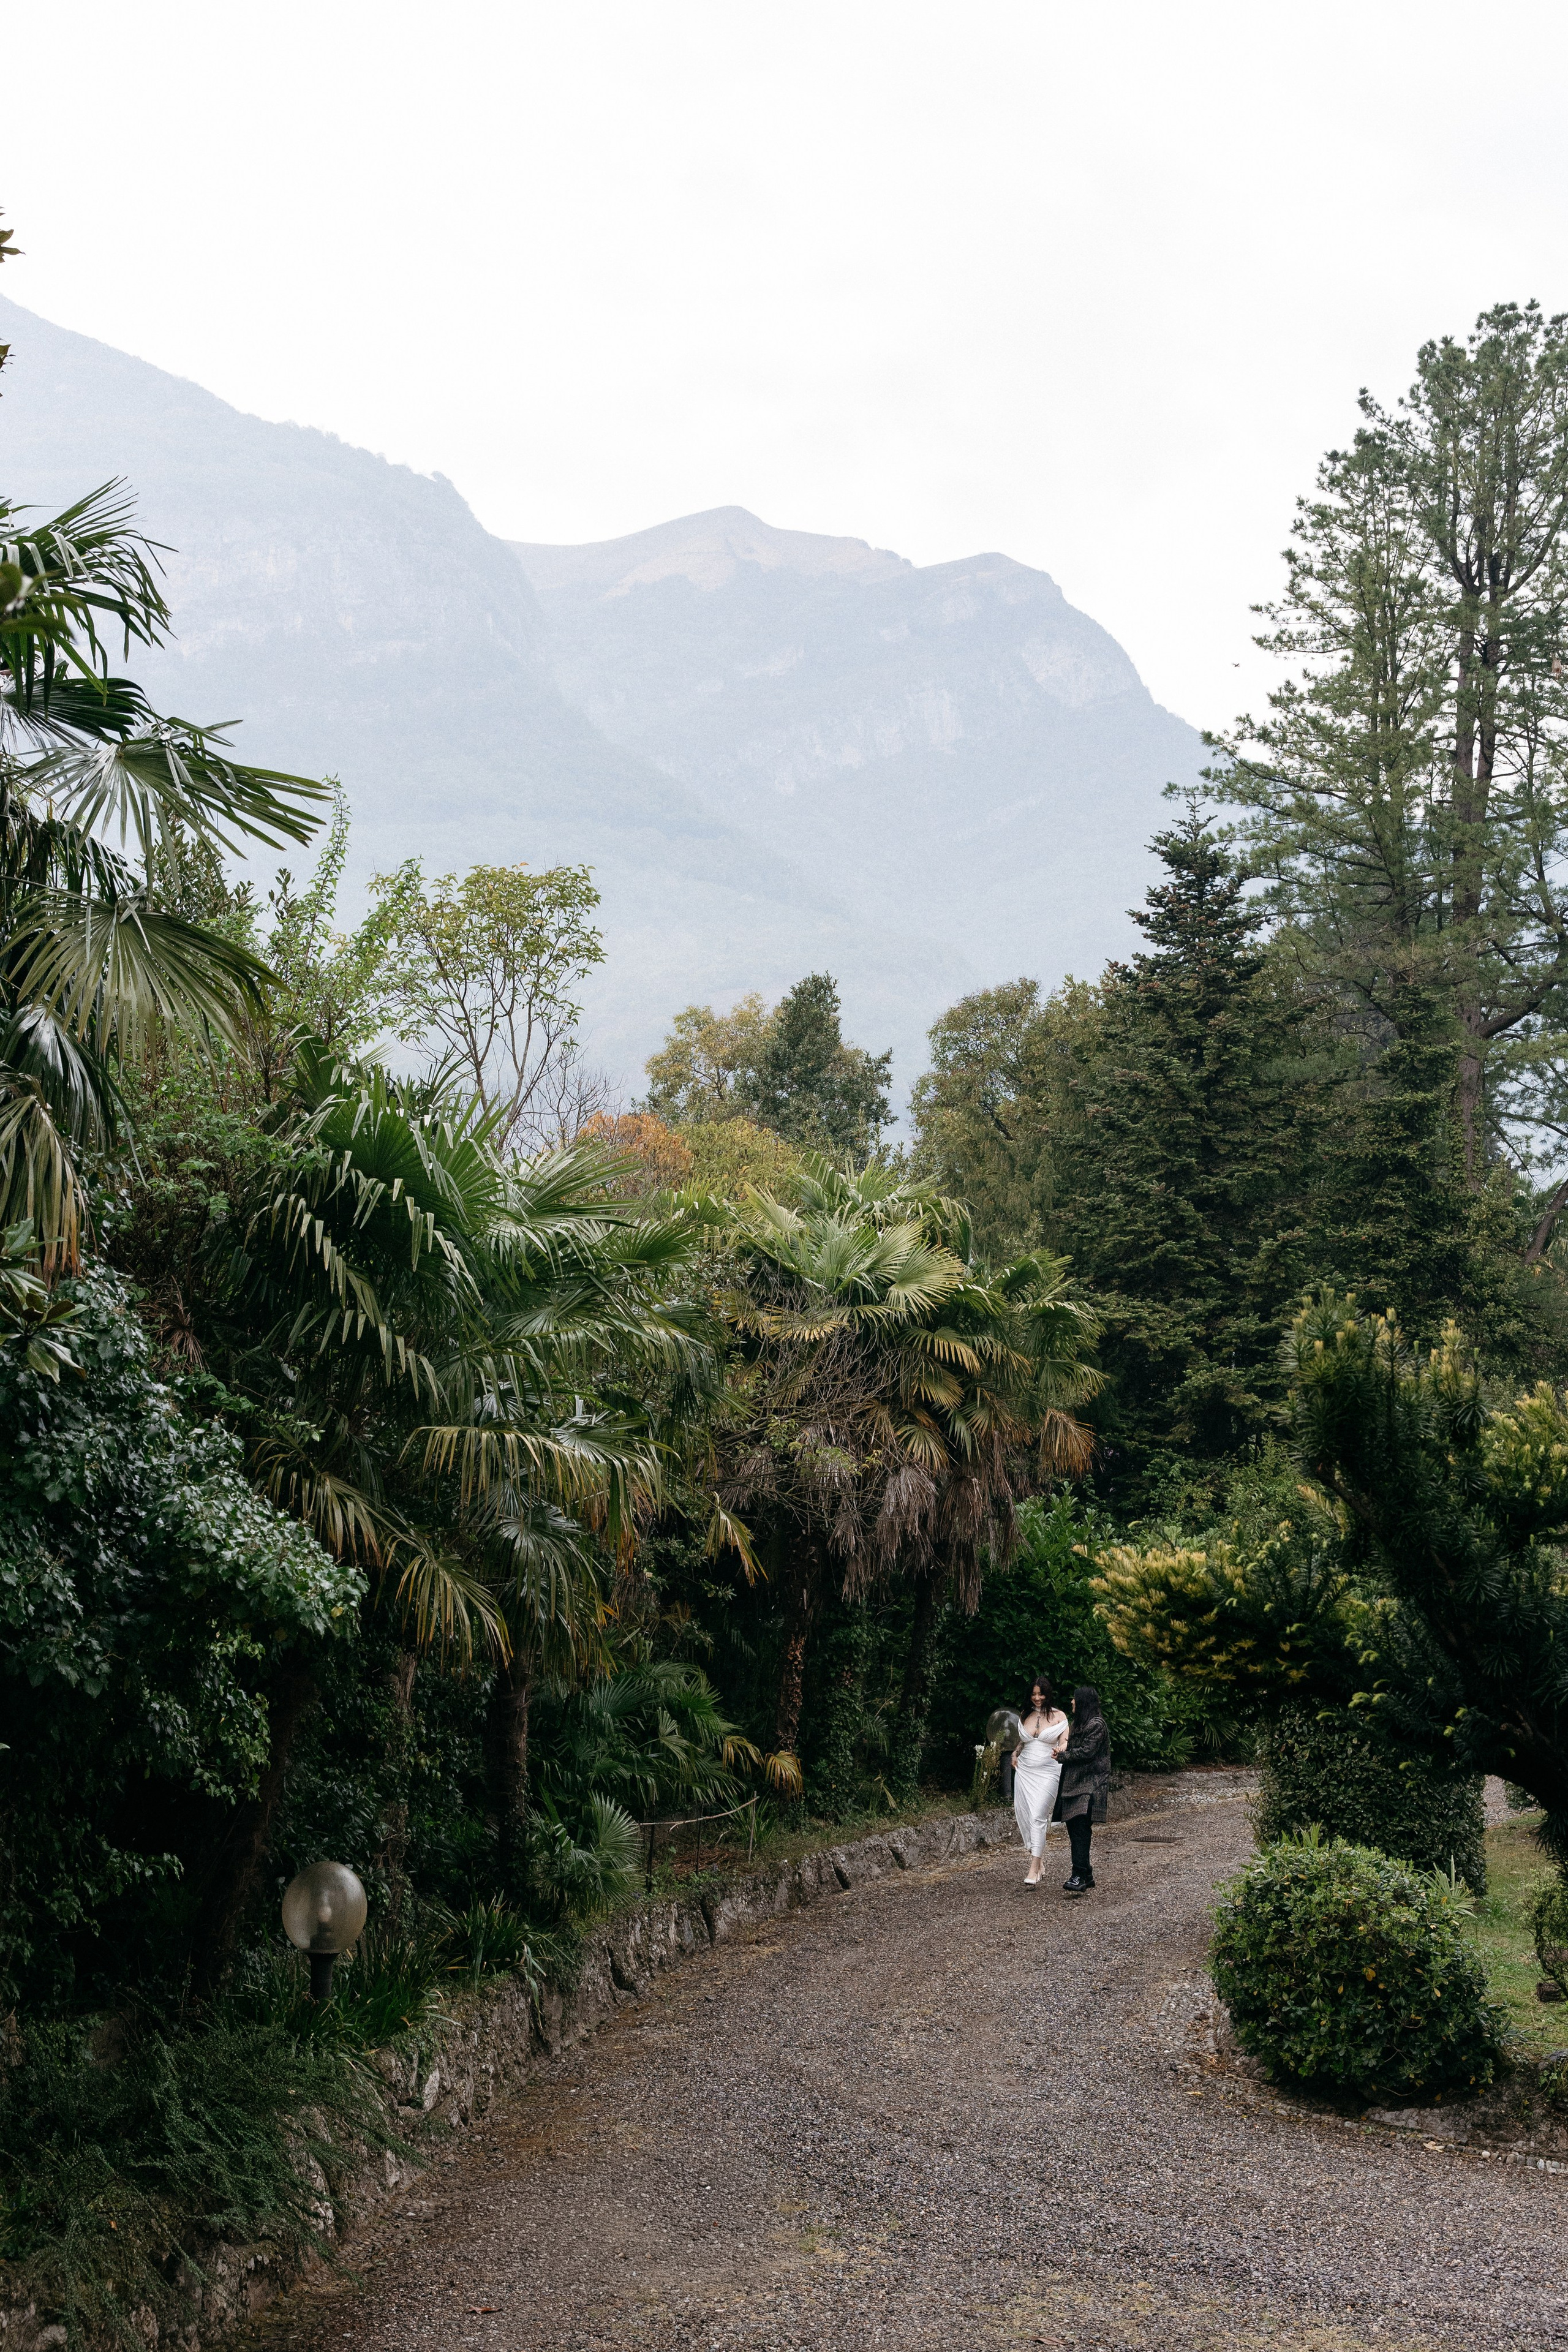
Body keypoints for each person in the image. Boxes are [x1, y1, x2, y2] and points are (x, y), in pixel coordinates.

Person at [1012, 1676, 1069, 1887]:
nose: (1037, 1698)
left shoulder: (1059, 1715)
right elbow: (1023, 1741)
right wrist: (1016, 1752)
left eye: (1041, 1694)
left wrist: (1061, 1749)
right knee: (1025, 1816)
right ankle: (1039, 1860)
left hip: (1048, 1771)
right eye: (1034, 1694)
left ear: (1048, 1694)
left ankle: (1034, 1868)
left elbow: (1064, 1740)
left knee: (1038, 1816)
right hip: (1025, 1770)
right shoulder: (1025, 1714)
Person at [1055, 1684, 1110, 1895]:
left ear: (1084, 1702)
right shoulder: (1078, 1724)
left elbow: (1087, 1752)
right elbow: (1073, 1748)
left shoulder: (1097, 1725)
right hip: (1075, 1784)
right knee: (1076, 1830)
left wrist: (1062, 1756)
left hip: (1090, 1785)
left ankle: (1078, 1875)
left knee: (1080, 1830)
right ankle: (1086, 1873)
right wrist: (1062, 1749)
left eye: (1075, 1699)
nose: (1072, 1702)